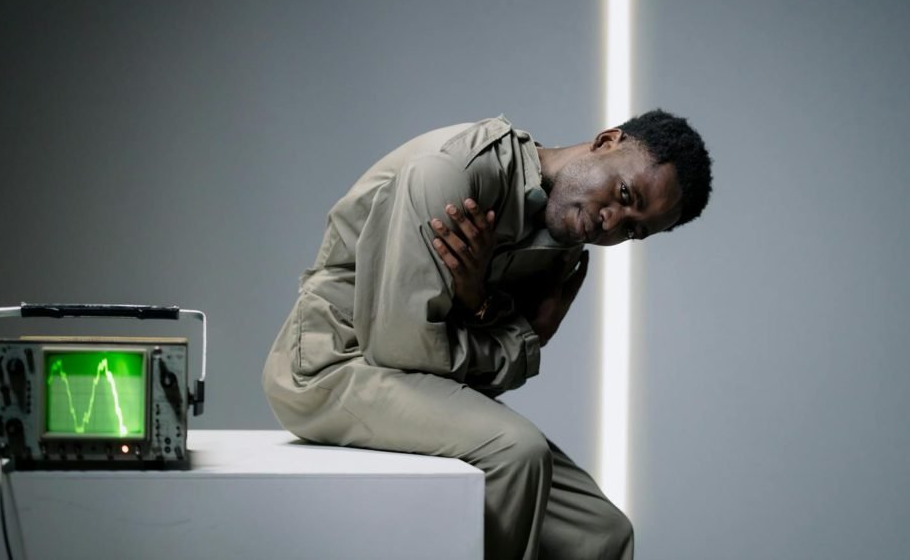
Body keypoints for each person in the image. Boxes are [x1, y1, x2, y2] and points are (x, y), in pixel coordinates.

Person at [262, 111, 713, 559]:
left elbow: (484, 381)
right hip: (332, 366)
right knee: (517, 452)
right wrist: (520, 334)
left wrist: (477, 303)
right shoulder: (454, 175)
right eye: (623, 193)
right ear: (606, 141)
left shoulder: (564, 241)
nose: (611, 222)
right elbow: (398, 348)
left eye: (633, 229)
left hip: (414, 384)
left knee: (601, 536)